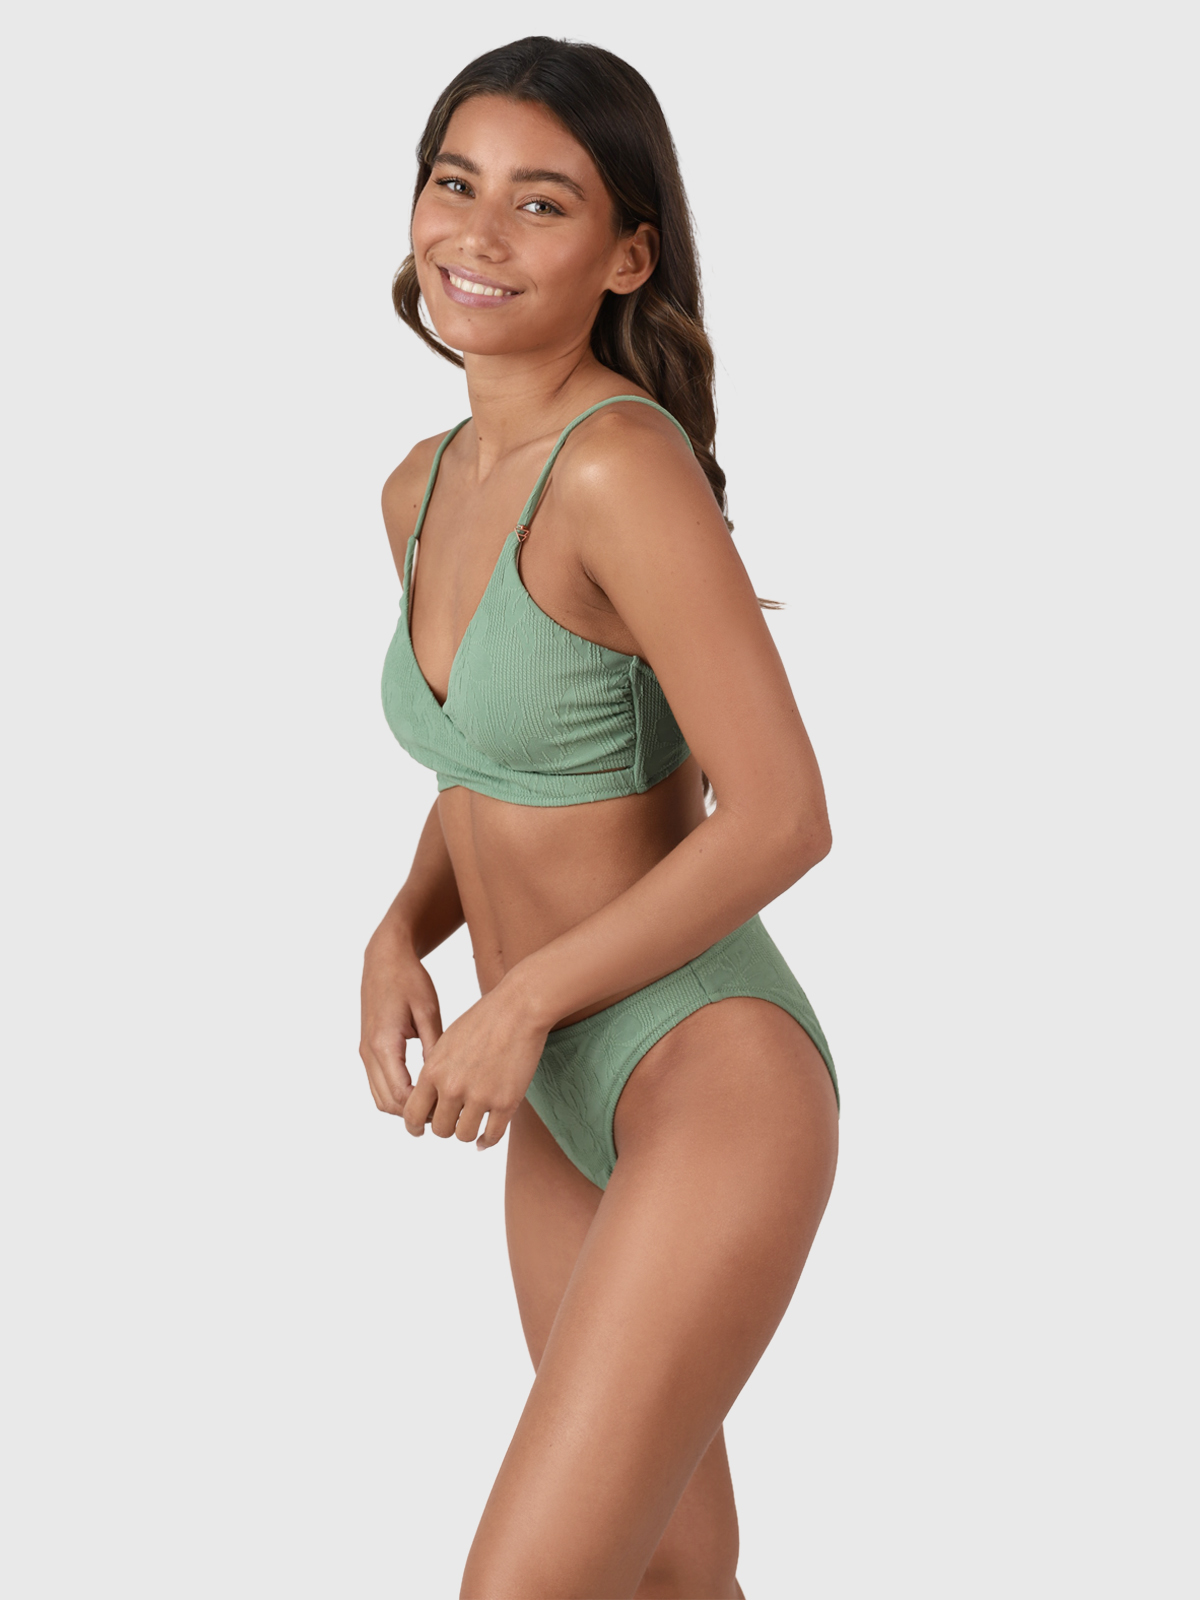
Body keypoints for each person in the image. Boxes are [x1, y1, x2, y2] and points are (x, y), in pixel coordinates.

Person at [361, 35, 840, 1600]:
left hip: (703, 1069)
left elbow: (782, 816)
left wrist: (521, 1003)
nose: (480, 234)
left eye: (543, 202)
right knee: (673, 1574)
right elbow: (492, 766)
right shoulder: (420, 485)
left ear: (628, 254)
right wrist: (399, 928)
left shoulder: (622, 468)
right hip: (563, 1097)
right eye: (456, 184)